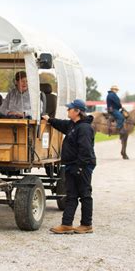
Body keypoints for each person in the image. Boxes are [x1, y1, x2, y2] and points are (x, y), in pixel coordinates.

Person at [42, 99, 96, 234]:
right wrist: (50, 120)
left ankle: (86, 224)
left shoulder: (84, 128)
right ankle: (66, 224)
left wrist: (80, 168)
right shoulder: (73, 125)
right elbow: (61, 124)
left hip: (81, 166)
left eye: (69, 109)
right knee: (71, 195)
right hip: (71, 165)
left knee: (85, 195)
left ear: (77, 111)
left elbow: (86, 151)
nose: (67, 111)